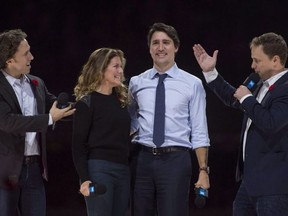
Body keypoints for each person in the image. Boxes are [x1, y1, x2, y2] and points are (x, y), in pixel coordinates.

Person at [193, 32, 288, 216]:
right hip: (250, 183)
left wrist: (247, 98)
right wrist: (211, 73)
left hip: (274, 186)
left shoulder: (286, 88)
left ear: (275, 60)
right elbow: (235, 98)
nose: (252, 66)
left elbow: (270, 123)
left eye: (257, 60)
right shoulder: (258, 82)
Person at [128, 22, 210, 216]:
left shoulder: (193, 84)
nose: (160, 47)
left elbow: (199, 130)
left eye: (166, 42)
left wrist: (203, 170)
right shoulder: (136, 82)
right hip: (141, 160)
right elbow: (129, 122)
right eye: (155, 43)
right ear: (149, 48)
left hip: (176, 161)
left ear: (176, 46)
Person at [0, 29, 75, 216]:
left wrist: (90, 105)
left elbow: (58, 106)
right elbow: (8, 122)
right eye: (26, 54)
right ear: (9, 60)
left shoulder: (37, 83)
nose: (32, 57)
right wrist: (49, 119)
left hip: (34, 171)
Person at [72, 48, 131, 216]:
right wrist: (85, 179)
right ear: (101, 68)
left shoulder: (122, 101)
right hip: (99, 169)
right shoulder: (86, 103)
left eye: (121, 66)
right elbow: (78, 146)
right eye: (116, 66)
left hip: (123, 170)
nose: (120, 71)